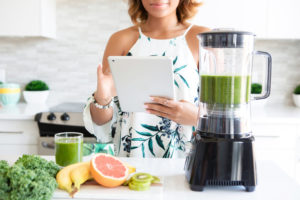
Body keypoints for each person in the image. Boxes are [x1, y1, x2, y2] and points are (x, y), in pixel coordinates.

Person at [83, 0, 210, 158]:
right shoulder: (120, 40)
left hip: (186, 163)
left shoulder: (203, 39)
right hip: (130, 162)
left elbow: (226, 118)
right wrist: (102, 97)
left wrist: (196, 117)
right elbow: (102, 123)